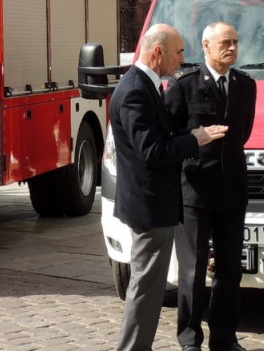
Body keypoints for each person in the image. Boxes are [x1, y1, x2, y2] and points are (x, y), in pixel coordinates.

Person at [111, 23, 228, 351]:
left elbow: (158, 141)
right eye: (178, 51)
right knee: (146, 290)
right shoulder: (135, 90)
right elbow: (152, 151)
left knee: (148, 288)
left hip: (153, 204)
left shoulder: (145, 86)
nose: (183, 58)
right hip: (149, 207)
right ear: (158, 52)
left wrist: (189, 137)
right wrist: (195, 139)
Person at [165, 22, 257, 351]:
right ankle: (190, 340)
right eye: (225, 42)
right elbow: (170, 138)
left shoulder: (246, 85)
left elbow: (242, 134)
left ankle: (224, 337)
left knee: (230, 269)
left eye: (235, 41)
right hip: (195, 191)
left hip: (231, 188)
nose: (232, 47)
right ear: (206, 45)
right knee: (192, 270)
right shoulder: (184, 86)